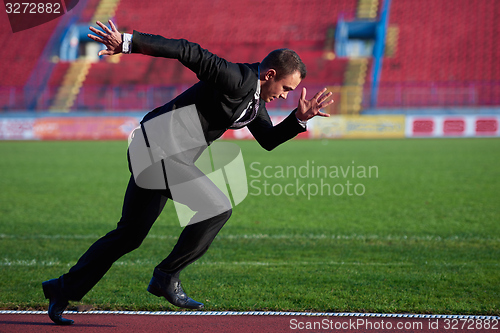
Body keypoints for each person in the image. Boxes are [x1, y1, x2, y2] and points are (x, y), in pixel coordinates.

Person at [42, 19, 334, 325]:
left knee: (129, 235)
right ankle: (166, 277)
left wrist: (298, 119)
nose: (286, 95)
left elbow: (269, 140)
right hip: (156, 148)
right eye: (286, 88)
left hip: (159, 153)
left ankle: (62, 289)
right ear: (270, 75)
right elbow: (188, 50)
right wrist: (129, 43)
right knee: (217, 208)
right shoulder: (236, 78)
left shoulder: (254, 101)